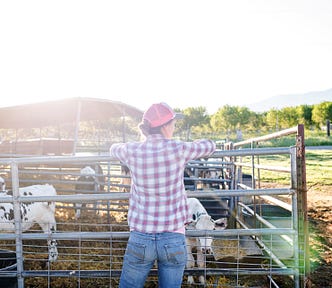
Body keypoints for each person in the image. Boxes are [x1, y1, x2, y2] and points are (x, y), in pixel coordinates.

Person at [110, 102, 216, 288]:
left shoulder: (132, 150)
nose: (174, 128)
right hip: (173, 237)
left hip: (141, 236)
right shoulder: (180, 148)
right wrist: (195, 143)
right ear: (166, 126)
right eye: (173, 124)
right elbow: (210, 146)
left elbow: (113, 149)